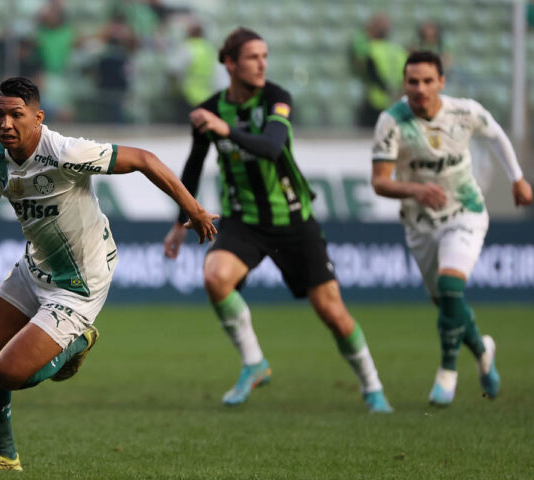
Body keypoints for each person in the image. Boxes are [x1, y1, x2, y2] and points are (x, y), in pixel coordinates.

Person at [0, 77, 217, 471]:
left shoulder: (67, 152)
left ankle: (79, 339)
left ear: (38, 118)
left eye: (16, 115)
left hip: (80, 283)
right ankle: (5, 458)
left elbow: (144, 160)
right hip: (35, 268)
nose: (5, 124)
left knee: (7, 373)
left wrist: (194, 209)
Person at [163, 27, 392, 413]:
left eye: (265, 56)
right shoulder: (211, 109)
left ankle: (372, 387)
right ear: (231, 64)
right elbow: (193, 166)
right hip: (244, 221)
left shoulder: (276, 98)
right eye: (254, 57)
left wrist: (227, 130)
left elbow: (271, 147)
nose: (262, 63)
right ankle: (254, 362)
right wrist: (179, 220)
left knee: (333, 312)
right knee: (215, 276)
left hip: (293, 220)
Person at [370, 50, 533, 406]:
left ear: (441, 82)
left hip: (466, 212)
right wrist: (416, 190)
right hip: (420, 224)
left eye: (428, 81)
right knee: (446, 302)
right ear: (404, 83)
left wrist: (517, 179)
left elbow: (496, 136)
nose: (420, 88)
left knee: (449, 284)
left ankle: (447, 373)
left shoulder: (464, 111)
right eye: (413, 81)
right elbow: (380, 183)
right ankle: (482, 349)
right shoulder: (391, 122)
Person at [349, 13, 407, 127]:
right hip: (396, 100)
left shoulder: (370, 49)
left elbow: (369, 73)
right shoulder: (398, 50)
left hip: (375, 100)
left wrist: (386, 88)